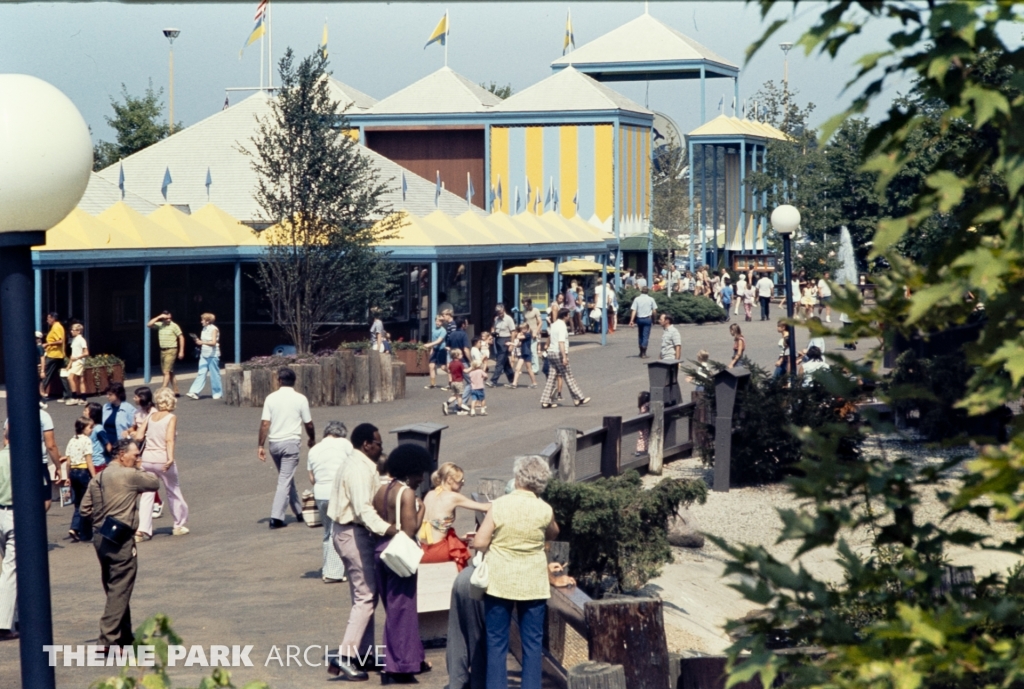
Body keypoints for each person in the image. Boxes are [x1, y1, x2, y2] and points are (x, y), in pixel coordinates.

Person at [473, 455, 559, 689]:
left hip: (500, 580)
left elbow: (480, 542)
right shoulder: (544, 509)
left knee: (496, 643)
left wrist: (496, 544)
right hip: (532, 582)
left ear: (518, 477)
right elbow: (553, 532)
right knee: (533, 644)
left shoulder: (500, 505)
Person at [327, 423, 398, 681]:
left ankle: (365, 654)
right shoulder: (357, 468)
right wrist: (390, 530)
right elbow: (363, 510)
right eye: (378, 443)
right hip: (352, 532)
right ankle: (345, 658)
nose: (381, 448)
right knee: (366, 596)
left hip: (351, 532)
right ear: (367, 444)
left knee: (365, 594)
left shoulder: (360, 464)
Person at [79, 438, 160, 649]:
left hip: (100, 537)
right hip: (121, 539)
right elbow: (154, 482)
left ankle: (124, 634)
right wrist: (140, 468)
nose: (137, 459)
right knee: (120, 588)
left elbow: (84, 509)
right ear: (122, 455)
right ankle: (107, 639)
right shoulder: (130, 474)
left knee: (114, 585)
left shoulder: (99, 477)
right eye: (135, 455)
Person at [371, 444, 434, 683]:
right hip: (399, 554)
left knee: (393, 608)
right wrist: (422, 509)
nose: (421, 479)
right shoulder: (406, 493)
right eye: (419, 473)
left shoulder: (382, 489)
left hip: (380, 550)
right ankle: (400, 664)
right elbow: (410, 530)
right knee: (403, 611)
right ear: (411, 471)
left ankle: (413, 657)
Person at [257, 367, 315, 529]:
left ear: (279, 381)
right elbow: (308, 423)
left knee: (286, 477)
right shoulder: (300, 399)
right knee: (285, 480)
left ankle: (298, 512)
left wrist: (260, 445)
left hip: (274, 444)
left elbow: (265, 423)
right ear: (294, 381)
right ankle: (276, 517)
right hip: (291, 444)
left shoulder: (271, 398)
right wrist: (312, 438)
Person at [134, 388, 189, 540]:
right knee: (173, 490)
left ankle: (142, 530)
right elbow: (169, 439)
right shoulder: (171, 417)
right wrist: (170, 458)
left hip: (147, 459)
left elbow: (138, 436)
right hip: (162, 458)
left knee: (147, 494)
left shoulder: (151, 415)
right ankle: (178, 524)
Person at [419, 463, 490, 570]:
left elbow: (435, 528)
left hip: (423, 549)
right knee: (460, 552)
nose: (463, 483)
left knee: (455, 540)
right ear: (449, 479)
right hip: (438, 551)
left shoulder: (430, 494)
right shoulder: (453, 497)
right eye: (460, 480)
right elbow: (484, 507)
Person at [307, 421, 351, 583]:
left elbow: (312, 478)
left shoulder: (314, 449)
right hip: (337, 492)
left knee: (327, 532)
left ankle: (327, 569)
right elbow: (353, 465)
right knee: (337, 531)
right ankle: (333, 573)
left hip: (320, 493)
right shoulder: (344, 444)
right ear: (341, 433)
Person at [540, 308, 589, 409]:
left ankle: (545, 400)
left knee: (551, 378)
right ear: (565, 315)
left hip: (551, 353)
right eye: (568, 315)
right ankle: (579, 397)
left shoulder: (553, 325)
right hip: (559, 353)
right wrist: (564, 357)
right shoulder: (562, 326)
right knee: (568, 376)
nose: (569, 316)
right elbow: (561, 342)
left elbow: (550, 338)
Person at [65, 416, 97, 542]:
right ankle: (81, 530)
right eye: (90, 427)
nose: (92, 430)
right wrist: (94, 476)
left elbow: (68, 462)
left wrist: (67, 477)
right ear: (83, 428)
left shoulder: (72, 440)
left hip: (73, 472)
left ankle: (76, 528)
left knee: (78, 502)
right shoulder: (86, 441)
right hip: (83, 472)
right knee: (86, 503)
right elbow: (89, 460)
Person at [0, 427, 18, 640]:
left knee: (10, 565)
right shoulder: (24, 459)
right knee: (11, 570)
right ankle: (4, 623)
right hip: (16, 515)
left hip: (0, 513)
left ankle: (18, 617)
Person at [147, 310, 184, 395]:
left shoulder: (174, 326)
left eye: (170, 318)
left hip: (171, 350)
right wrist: (159, 317)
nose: (168, 320)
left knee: (166, 372)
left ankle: (163, 390)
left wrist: (181, 351)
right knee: (170, 371)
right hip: (163, 350)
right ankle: (176, 390)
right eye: (166, 318)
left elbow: (181, 337)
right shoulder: (160, 325)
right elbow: (149, 325)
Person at [187, 313, 222, 400]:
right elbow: (204, 341)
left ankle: (217, 393)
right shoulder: (204, 328)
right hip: (204, 354)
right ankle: (194, 391)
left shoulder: (214, 329)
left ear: (208, 321)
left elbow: (214, 343)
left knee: (214, 374)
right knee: (201, 373)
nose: (201, 321)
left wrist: (202, 342)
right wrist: (198, 341)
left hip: (213, 355)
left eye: (203, 319)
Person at [101, 384, 136, 458]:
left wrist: (128, 432)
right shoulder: (105, 407)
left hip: (121, 444)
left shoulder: (129, 409)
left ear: (118, 395)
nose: (107, 396)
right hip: (107, 444)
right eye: (107, 394)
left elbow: (135, 426)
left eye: (110, 394)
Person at [40, 311, 66, 403]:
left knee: (46, 374)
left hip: (54, 355)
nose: (47, 320)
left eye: (48, 318)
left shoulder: (57, 327)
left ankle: (40, 394)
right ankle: (67, 395)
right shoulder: (57, 327)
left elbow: (60, 341)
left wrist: (48, 344)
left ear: (53, 318)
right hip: (58, 355)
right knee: (62, 375)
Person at [488, 305, 516, 387]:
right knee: (505, 361)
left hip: (505, 340)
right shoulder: (496, 319)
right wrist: (492, 333)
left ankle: (493, 381)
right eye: (497, 313)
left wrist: (511, 344)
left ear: (503, 310)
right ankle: (512, 379)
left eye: (500, 312)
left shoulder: (509, 319)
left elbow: (513, 332)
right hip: (498, 339)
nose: (499, 314)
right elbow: (493, 327)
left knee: (500, 361)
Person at [628, 286, 658, 359]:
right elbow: (654, 311)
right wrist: (654, 320)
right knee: (645, 336)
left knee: (640, 335)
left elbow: (634, 310)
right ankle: (644, 353)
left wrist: (631, 320)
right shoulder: (651, 299)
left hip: (639, 319)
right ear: (648, 291)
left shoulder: (637, 299)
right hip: (648, 319)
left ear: (641, 291)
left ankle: (641, 351)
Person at [66, 321, 89, 405]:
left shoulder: (81, 340)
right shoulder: (74, 340)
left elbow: (86, 353)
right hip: (75, 362)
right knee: (80, 379)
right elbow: (73, 354)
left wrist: (76, 358)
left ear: (78, 331)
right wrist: (69, 365)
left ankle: (74, 397)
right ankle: (83, 399)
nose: (71, 331)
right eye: (71, 330)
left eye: (73, 330)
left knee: (70, 377)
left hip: (79, 362)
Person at [508, 323, 538, 389]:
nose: (522, 330)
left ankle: (534, 383)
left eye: (524, 329)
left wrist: (519, 333)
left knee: (529, 369)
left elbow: (518, 337)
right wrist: (511, 343)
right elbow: (518, 344)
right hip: (522, 353)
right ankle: (514, 383)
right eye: (521, 329)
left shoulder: (528, 335)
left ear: (527, 329)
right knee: (517, 368)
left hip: (527, 353)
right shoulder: (524, 335)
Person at [425, 315, 449, 390]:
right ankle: (432, 384)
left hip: (441, 350)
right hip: (435, 349)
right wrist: (432, 348)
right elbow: (433, 340)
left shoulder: (443, 330)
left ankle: (451, 379)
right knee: (431, 366)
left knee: (443, 367)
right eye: (437, 321)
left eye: (440, 321)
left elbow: (439, 341)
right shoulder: (434, 329)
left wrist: (429, 345)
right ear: (435, 321)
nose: (438, 323)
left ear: (442, 322)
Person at [86, 402, 111, 471]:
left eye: (86, 411)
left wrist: (113, 458)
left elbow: (107, 444)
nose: (83, 412)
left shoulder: (98, 429)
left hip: (98, 463)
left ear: (92, 413)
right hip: (89, 462)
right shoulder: (88, 428)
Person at [520, 299, 542, 374]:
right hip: (527, 333)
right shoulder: (524, 312)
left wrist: (536, 331)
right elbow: (524, 322)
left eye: (526, 304)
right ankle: (530, 367)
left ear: (529, 303)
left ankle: (535, 368)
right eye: (523, 304)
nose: (525, 306)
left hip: (534, 332)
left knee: (533, 350)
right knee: (527, 350)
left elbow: (540, 322)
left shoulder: (535, 310)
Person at [635, 391, 651, 456]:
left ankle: (642, 449)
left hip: (642, 423)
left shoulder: (642, 405)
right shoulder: (645, 406)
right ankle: (641, 450)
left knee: (643, 436)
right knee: (644, 436)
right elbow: (645, 409)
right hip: (643, 424)